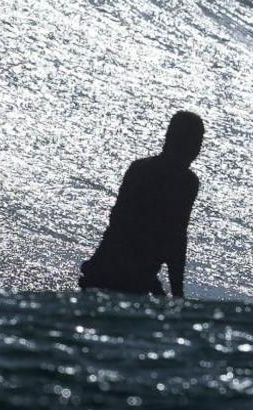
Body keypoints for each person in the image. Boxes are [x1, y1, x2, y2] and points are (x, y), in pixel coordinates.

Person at [79, 110, 204, 298]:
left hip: (116, 274)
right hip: (119, 276)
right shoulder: (184, 183)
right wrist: (176, 294)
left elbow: (125, 226)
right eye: (195, 142)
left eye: (199, 143)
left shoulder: (140, 169)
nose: (197, 149)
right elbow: (174, 239)